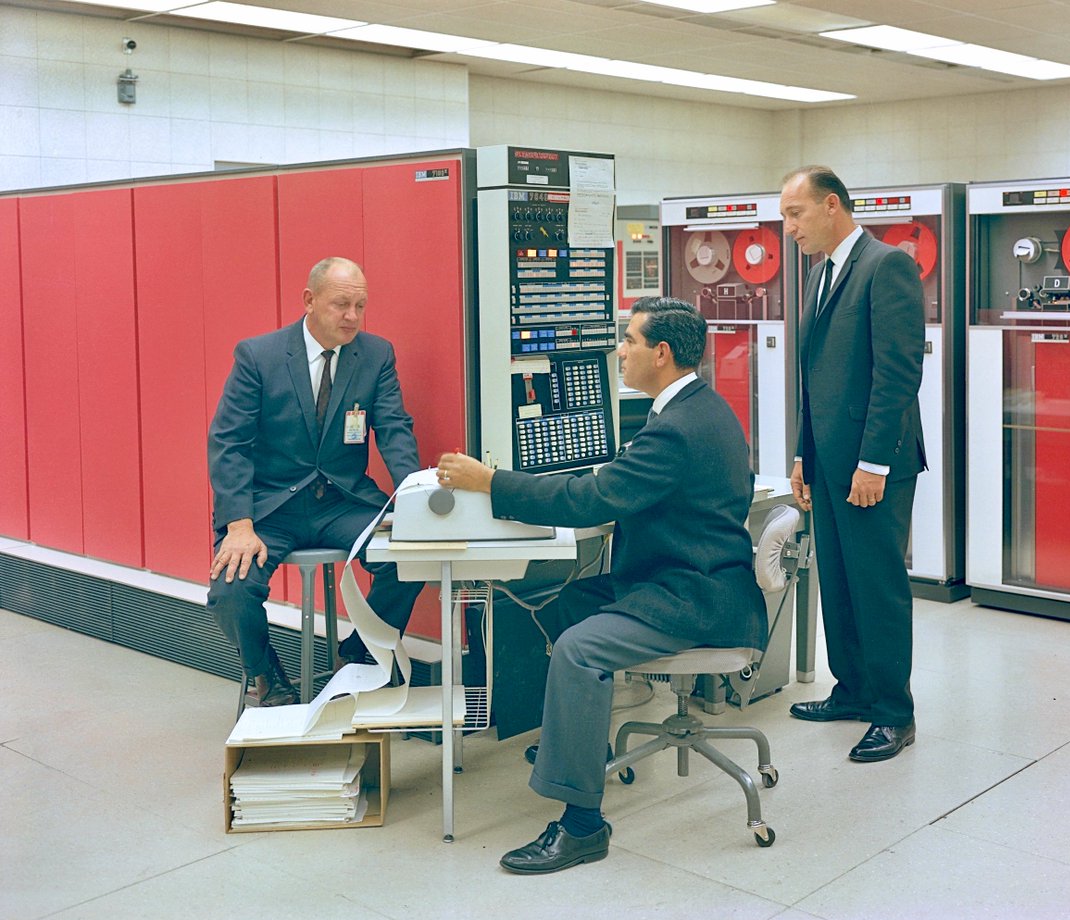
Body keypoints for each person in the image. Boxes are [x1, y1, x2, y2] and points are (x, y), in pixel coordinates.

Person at [436, 296, 766, 874]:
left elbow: (591, 497)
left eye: (630, 341)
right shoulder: (699, 409)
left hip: (696, 596)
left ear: (661, 354)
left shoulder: (676, 429)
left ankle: (582, 823)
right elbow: (620, 486)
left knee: (580, 648)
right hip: (691, 576)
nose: (621, 350)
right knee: (565, 604)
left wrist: (491, 481)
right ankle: (578, 741)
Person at [207, 257, 423, 706]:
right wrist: (239, 525)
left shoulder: (376, 354)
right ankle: (266, 674)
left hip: (343, 502)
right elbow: (228, 443)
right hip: (271, 508)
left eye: (361, 306)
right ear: (309, 301)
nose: (353, 317)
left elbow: (395, 430)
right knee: (231, 590)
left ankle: (359, 658)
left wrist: (413, 498)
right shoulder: (258, 356)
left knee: (413, 556)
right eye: (342, 304)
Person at [779, 165, 926, 763]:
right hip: (828, 460)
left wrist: (873, 464)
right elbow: (815, 377)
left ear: (832, 206)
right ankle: (853, 690)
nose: (789, 228)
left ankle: (895, 713)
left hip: (873, 465)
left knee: (876, 586)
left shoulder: (886, 266)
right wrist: (802, 454)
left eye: (796, 214)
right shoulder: (820, 274)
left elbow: (896, 375)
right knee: (836, 582)